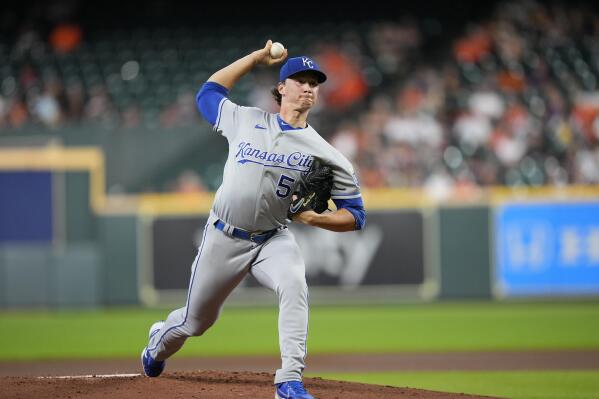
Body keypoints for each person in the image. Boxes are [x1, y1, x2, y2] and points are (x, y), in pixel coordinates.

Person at [141, 40, 366, 399]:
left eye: (314, 82)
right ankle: (156, 345)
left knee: (294, 284)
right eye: (300, 80)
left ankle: (289, 379)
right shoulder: (246, 119)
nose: (308, 87)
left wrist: (313, 218)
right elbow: (208, 93)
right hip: (223, 237)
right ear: (281, 88)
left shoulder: (328, 155)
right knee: (194, 323)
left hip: (272, 239)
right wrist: (256, 59)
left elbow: (355, 216)